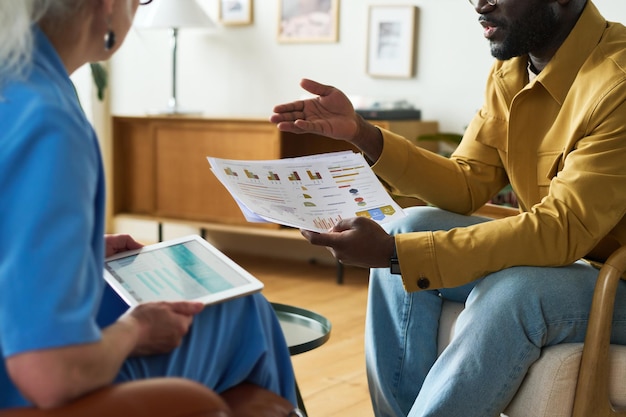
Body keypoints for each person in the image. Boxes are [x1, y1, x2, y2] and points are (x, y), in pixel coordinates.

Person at [270, 0, 626, 416]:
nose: (479, 2)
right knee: (409, 226)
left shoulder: (617, 82)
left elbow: (562, 229)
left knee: (514, 295)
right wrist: (364, 134)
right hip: (588, 266)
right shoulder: (511, 71)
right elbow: (466, 182)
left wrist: (393, 255)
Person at [0, 0, 298, 413]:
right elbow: (50, 375)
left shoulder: (16, 82)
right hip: (24, 387)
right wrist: (136, 330)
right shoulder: (49, 120)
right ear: (106, 5)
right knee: (241, 306)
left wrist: (75, 251)